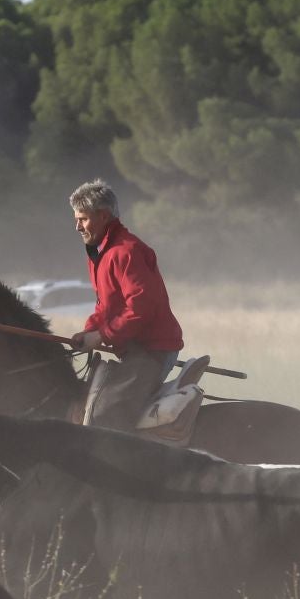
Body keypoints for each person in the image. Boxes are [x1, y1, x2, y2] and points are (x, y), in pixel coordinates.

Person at [69, 180, 184, 431]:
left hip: (153, 350)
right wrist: (89, 331)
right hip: (134, 350)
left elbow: (141, 309)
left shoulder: (126, 251)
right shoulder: (100, 253)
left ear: (103, 216)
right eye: (76, 219)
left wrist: (103, 335)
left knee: (104, 416)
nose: (77, 226)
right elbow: (105, 307)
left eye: (83, 219)